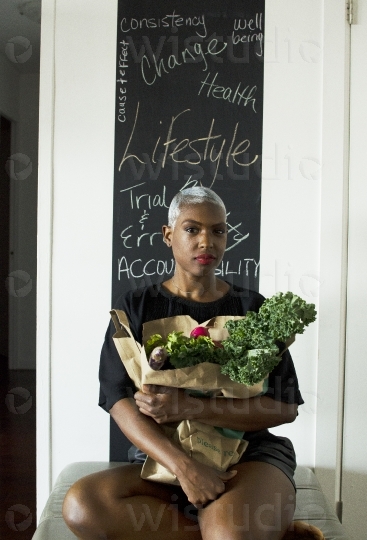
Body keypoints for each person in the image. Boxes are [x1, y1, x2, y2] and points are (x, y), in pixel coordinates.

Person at [63, 187, 304, 540]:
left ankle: (230, 525)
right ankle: (244, 528)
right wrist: (185, 467)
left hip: (249, 458)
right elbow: (117, 398)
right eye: (192, 229)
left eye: (218, 231)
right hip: (168, 457)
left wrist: (191, 406)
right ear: (168, 235)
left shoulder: (253, 308)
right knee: (82, 505)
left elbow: (285, 408)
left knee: (228, 534)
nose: (206, 241)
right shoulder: (137, 306)